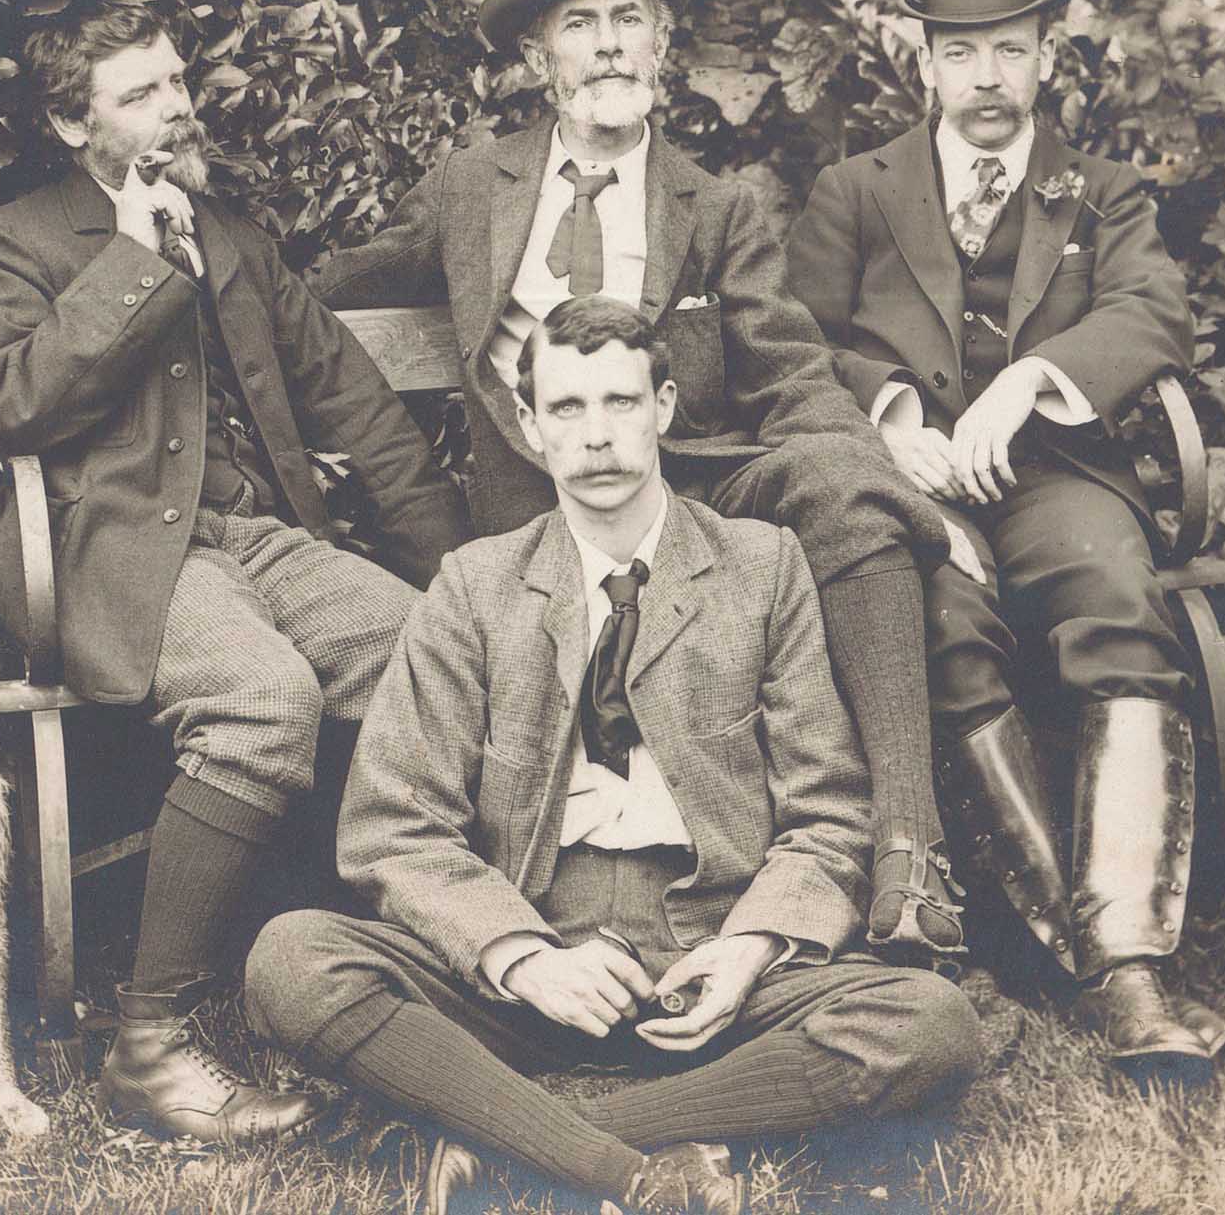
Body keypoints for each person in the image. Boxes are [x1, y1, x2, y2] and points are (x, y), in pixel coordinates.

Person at [314, 0, 981, 965]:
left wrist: (894, 494)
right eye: (580, 25)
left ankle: (908, 854)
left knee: (840, 485)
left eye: (630, 19)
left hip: (695, 498)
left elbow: (794, 377)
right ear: (539, 58)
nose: (610, 45)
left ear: (662, 44)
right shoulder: (470, 190)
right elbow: (326, 297)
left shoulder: (715, 207)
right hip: (542, 515)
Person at [245, 298, 982, 1215]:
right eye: (567, 407)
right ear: (529, 425)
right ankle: (630, 1168)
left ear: (663, 407)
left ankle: (518, 1136)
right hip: (527, 962)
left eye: (621, 402)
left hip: (707, 957)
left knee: (931, 1023)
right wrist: (522, 955)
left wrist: (749, 948)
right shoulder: (475, 586)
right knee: (292, 957)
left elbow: (828, 809)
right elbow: (393, 824)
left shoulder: (762, 567)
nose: (597, 435)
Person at [0, 0, 469, 1138]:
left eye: (177, 81)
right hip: (116, 552)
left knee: (438, 657)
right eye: (139, 94)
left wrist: (471, 583)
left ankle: (408, 969)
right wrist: (133, 261)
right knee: (261, 698)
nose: (175, 107)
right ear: (71, 124)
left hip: (258, 538)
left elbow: (356, 406)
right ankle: (148, 1042)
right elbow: (6, 402)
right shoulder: (10, 241)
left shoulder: (229, 234)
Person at [786, 0, 1225, 1074]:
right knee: (937, 620)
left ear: (1045, 53)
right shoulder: (853, 193)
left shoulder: (1101, 192)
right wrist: (893, 424)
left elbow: (1152, 313)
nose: (986, 77)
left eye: (1009, 49)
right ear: (924, 60)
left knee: (1112, 587)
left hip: (1053, 474)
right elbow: (792, 345)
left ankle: (1125, 958)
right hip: (908, 487)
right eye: (961, 52)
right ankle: (1081, 949)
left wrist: (1030, 380)